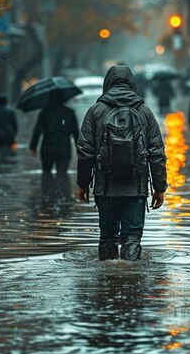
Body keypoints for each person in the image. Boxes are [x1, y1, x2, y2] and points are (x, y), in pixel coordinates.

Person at [76, 65, 167, 261]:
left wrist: (82, 184)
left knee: (108, 238)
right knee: (132, 238)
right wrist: (159, 187)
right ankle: (130, 279)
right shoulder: (145, 112)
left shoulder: (95, 111)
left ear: (107, 83)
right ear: (132, 83)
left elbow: (85, 152)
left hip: (105, 188)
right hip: (136, 188)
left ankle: (107, 282)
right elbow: (157, 153)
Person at [30, 89, 79, 174]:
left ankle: (47, 187)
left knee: (46, 174)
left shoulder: (45, 112)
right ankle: (61, 187)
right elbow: (75, 132)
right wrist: (79, 148)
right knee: (63, 175)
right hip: (64, 148)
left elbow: (37, 130)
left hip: (47, 148)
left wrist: (33, 146)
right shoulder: (69, 112)